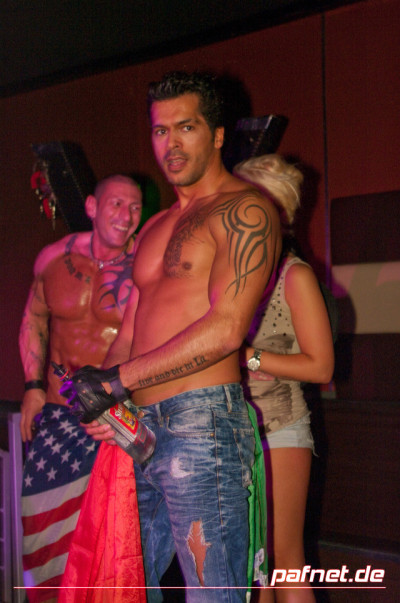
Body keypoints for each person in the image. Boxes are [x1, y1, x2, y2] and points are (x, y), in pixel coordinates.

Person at [60, 71, 282, 603]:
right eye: (161, 131)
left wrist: (118, 380)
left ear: (218, 134)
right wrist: (102, 397)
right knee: (118, 584)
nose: (171, 144)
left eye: (186, 127)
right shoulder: (156, 226)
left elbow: (226, 329)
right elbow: (132, 327)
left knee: (213, 595)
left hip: (203, 426)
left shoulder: (245, 211)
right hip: (138, 429)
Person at [19, 174, 143, 602]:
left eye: (135, 207)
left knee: (111, 543)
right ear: (91, 206)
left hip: (116, 417)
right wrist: (33, 385)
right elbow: (34, 317)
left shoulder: (146, 264)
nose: (126, 216)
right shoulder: (54, 258)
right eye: (116, 204)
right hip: (58, 411)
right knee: (43, 537)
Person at [234, 154, 335, 602]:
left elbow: (321, 367)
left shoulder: (295, 276)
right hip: (232, 431)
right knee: (251, 564)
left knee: (284, 560)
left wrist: (249, 358)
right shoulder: (232, 273)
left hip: (280, 429)